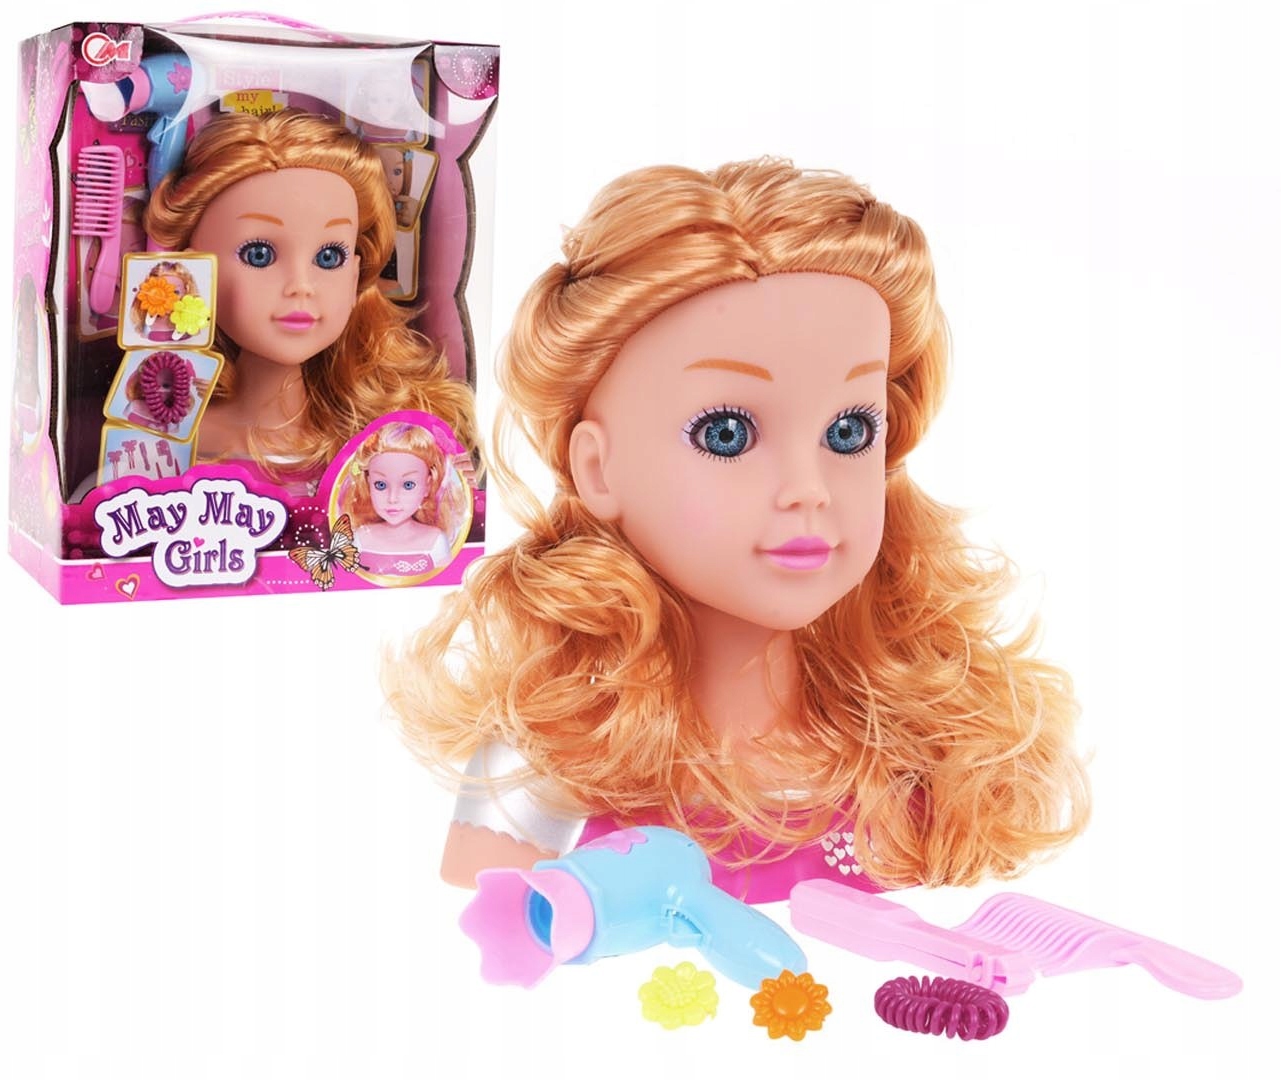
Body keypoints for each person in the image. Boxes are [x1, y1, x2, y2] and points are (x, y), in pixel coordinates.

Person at [385, 158, 1090, 902]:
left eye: (849, 431)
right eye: (726, 434)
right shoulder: (543, 768)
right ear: (598, 468)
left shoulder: (926, 757)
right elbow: (493, 940)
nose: (808, 489)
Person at [143, 109, 476, 492]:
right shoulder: (160, 441)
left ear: (354, 275)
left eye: (329, 257)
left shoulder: (382, 448)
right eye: (259, 255)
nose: (301, 287)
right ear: (191, 268)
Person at [343, 421, 467, 574]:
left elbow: (449, 580)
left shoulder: (435, 541)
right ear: (368, 483)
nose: (392, 498)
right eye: (380, 485)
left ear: (427, 486)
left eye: (408, 485)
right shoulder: (360, 538)